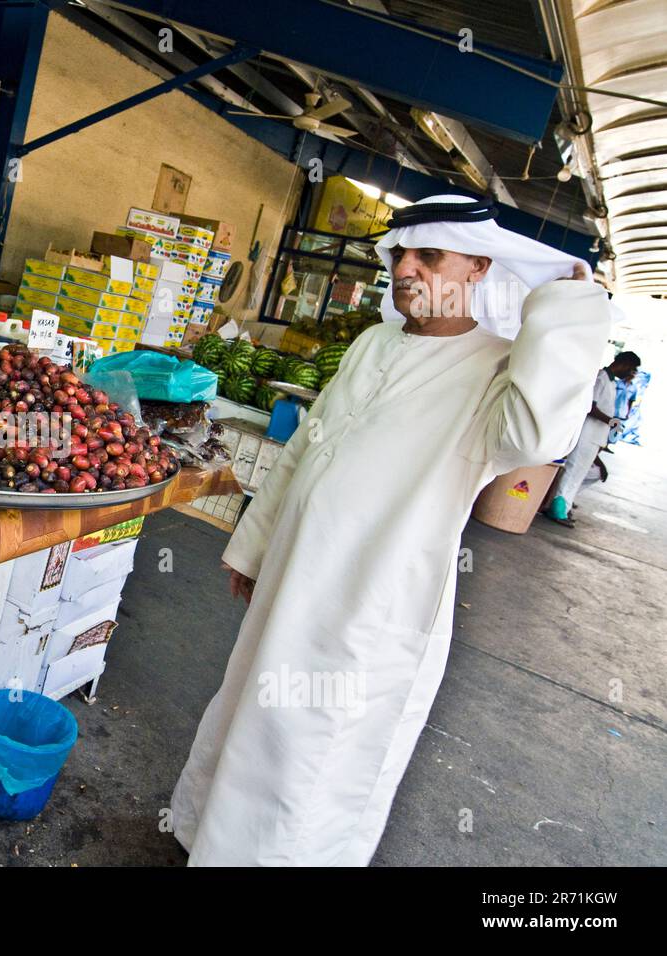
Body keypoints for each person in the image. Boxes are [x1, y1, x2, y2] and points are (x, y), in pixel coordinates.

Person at [171, 195, 612, 866]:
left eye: (429, 256)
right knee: (247, 713)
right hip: (294, 573)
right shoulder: (374, 342)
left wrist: (567, 311)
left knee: (308, 753)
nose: (406, 268)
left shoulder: (499, 370)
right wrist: (255, 547)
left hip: (370, 605)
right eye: (399, 254)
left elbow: (536, 436)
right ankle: (206, 841)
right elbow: (305, 451)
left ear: (477, 268)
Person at [543, 351, 641, 526]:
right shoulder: (602, 377)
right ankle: (557, 509)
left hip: (596, 437)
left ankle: (563, 505)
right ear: (624, 363)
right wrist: (610, 420)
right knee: (573, 472)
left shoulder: (611, 381)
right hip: (587, 435)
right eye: (631, 369)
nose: (630, 373)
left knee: (585, 474)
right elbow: (591, 406)